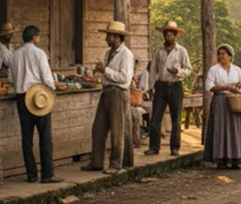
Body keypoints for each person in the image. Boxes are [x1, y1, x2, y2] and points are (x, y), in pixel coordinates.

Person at [7, 25, 64, 184]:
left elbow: (11, 78)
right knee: (45, 137)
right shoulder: (39, 53)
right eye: (38, 37)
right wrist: (52, 93)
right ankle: (47, 174)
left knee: (26, 138)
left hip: (21, 98)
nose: (38, 39)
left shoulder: (14, 55)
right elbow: (47, 78)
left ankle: (31, 174)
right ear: (35, 37)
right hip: (38, 98)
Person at [82, 21, 134, 175]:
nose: (106, 38)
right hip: (107, 91)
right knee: (98, 128)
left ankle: (116, 164)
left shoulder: (126, 55)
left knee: (117, 130)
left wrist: (106, 70)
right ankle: (97, 161)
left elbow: (125, 78)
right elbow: (108, 74)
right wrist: (97, 74)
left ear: (115, 37)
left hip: (118, 93)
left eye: (108, 35)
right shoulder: (108, 53)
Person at [146, 21, 193, 157]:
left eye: (171, 33)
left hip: (175, 85)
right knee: (155, 118)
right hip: (160, 86)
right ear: (164, 34)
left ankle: (175, 147)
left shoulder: (181, 50)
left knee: (175, 118)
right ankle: (154, 147)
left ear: (175, 35)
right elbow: (153, 70)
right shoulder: (158, 50)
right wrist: (150, 87)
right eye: (166, 33)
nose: (168, 35)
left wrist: (177, 72)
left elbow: (188, 69)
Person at [203, 44, 241, 170]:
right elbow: (210, 86)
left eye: (223, 54)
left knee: (235, 130)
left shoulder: (237, 70)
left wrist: (237, 88)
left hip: (235, 102)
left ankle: (235, 159)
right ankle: (221, 160)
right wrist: (226, 87)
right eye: (219, 54)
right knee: (220, 129)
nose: (220, 56)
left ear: (230, 56)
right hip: (220, 101)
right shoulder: (214, 70)